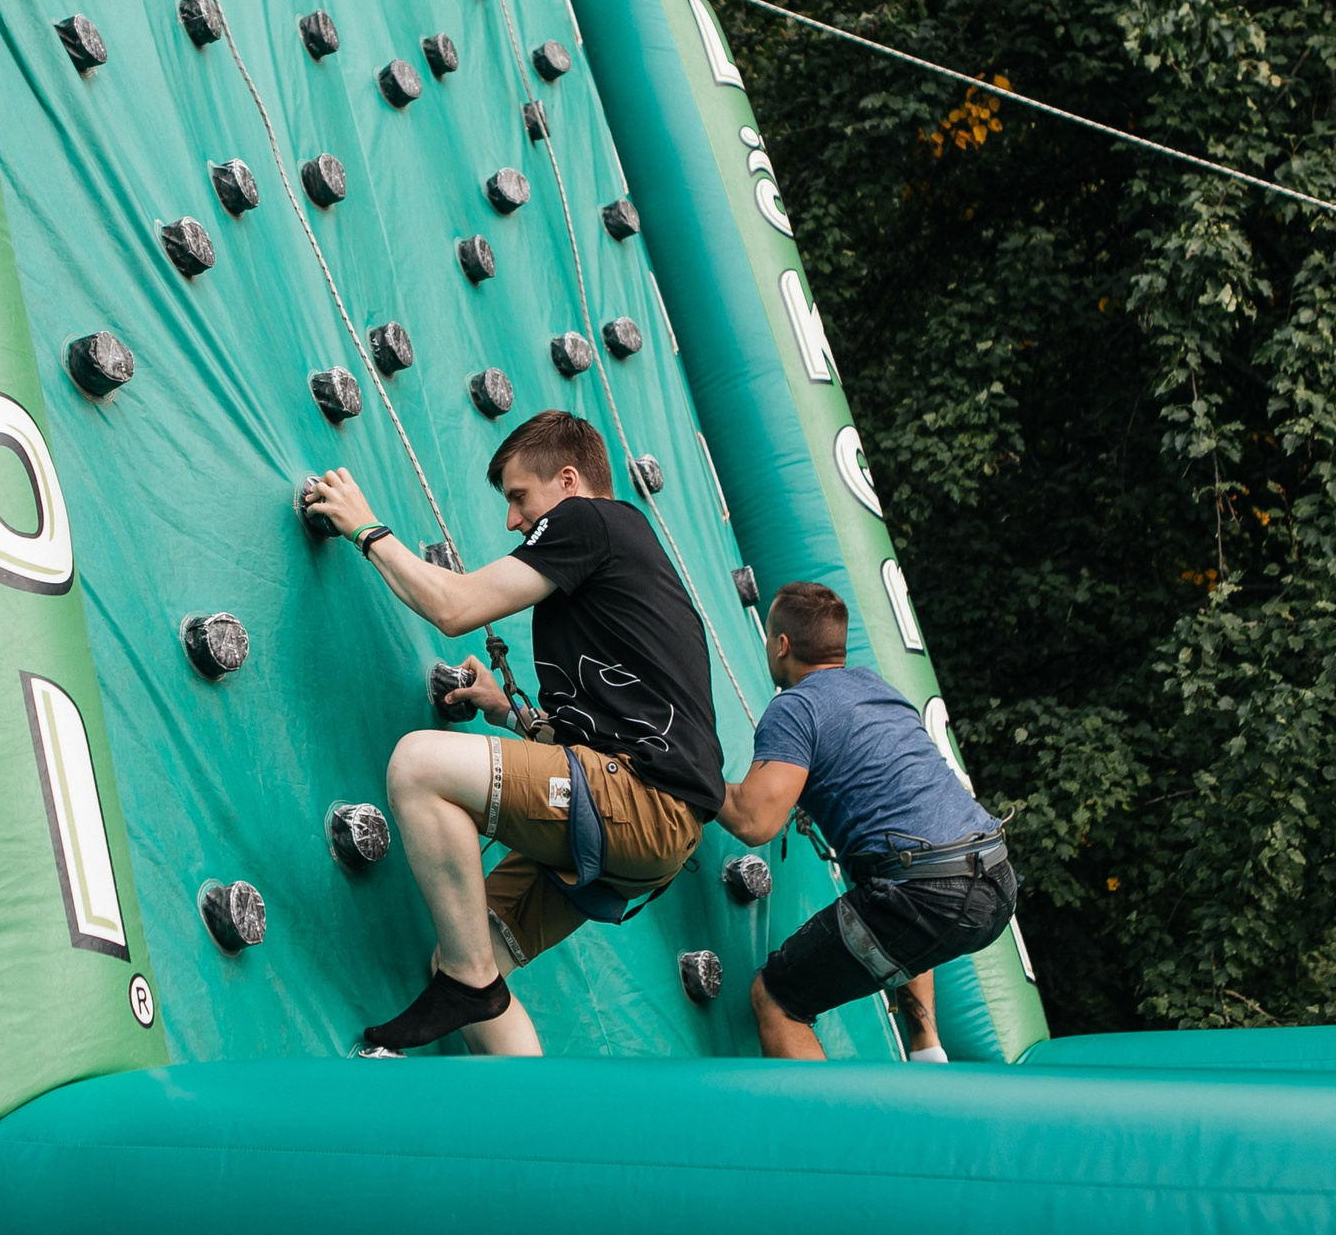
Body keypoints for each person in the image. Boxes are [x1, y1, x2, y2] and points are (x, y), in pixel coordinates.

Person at [302, 411, 722, 1055]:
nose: (513, 520)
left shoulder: (590, 520)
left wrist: (365, 528)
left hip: (639, 803)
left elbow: (454, 607)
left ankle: (469, 984)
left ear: (570, 480)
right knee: (466, 949)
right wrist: (511, 713)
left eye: (520, 497)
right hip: (653, 831)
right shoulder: (620, 558)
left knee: (418, 765)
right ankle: (534, 1132)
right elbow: (620, 728)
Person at [717, 581, 1015, 1060]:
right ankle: (927, 1053)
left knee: (776, 999)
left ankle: (834, 1136)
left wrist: (693, 776)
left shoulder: (796, 707)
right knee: (903, 898)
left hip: (926, 891)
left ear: (781, 644)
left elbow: (754, 822)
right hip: (994, 880)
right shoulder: (879, 690)